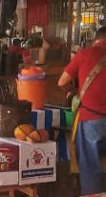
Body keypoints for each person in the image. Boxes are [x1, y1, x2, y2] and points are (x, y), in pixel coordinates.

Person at [58, 26, 106, 195]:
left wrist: (75, 91)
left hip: (91, 120)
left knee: (90, 166)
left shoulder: (84, 54)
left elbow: (61, 82)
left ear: (95, 40)